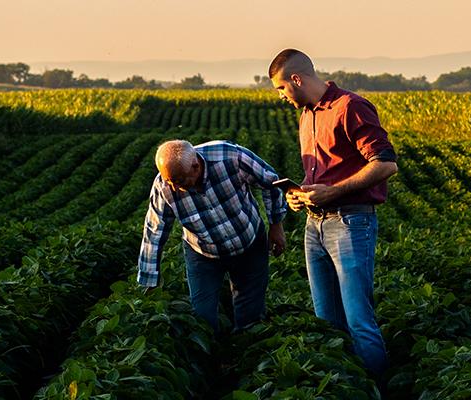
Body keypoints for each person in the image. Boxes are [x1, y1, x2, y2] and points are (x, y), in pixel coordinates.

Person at [268, 48, 399, 376]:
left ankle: (376, 389)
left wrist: (334, 191)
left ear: (296, 79)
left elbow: (385, 164)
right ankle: (343, 386)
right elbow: (321, 177)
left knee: (359, 321)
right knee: (326, 321)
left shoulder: (350, 107)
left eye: (282, 88)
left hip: (350, 222)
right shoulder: (307, 115)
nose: (282, 96)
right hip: (315, 226)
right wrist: (298, 194)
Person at [136, 139, 288, 334]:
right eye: (169, 180)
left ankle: (243, 352)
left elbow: (271, 182)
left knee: (250, 314)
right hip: (202, 252)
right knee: (202, 316)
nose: (173, 187)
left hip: (248, 243)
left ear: (195, 166)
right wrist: (150, 279)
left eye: (179, 181)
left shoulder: (230, 157)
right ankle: (212, 357)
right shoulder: (164, 185)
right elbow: (155, 230)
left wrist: (276, 225)